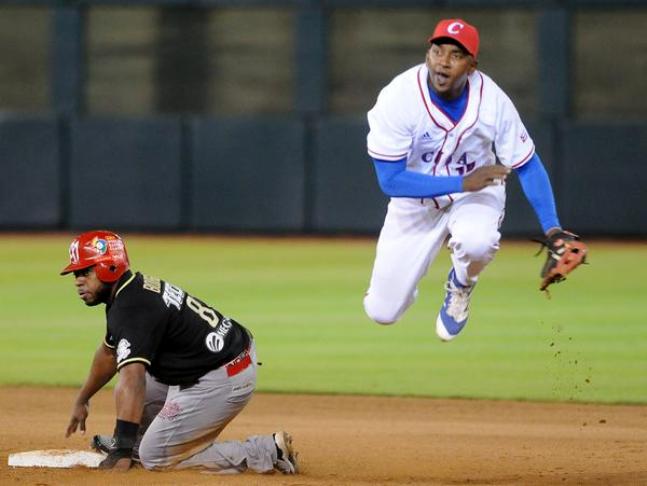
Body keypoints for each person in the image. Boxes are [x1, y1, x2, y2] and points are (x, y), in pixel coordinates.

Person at [364, 18, 577, 341]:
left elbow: (528, 164)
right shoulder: (399, 98)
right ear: (428, 53)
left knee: (477, 242)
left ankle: (461, 284)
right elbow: (390, 181)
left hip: (476, 196)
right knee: (382, 312)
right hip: (417, 201)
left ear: (472, 65)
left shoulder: (493, 102)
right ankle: (405, 282)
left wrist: (553, 228)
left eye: (455, 55)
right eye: (437, 51)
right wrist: (462, 182)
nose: (443, 62)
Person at [61, 230, 299, 474]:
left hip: (225, 375)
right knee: (144, 375)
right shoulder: (129, 292)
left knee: (155, 457)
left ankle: (267, 451)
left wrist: (120, 450)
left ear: (107, 267)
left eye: (84, 272)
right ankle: (134, 444)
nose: (77, 280)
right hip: (218, 360)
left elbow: (132, 380)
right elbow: (109, 354)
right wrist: (83, 398)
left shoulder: (132, 308)